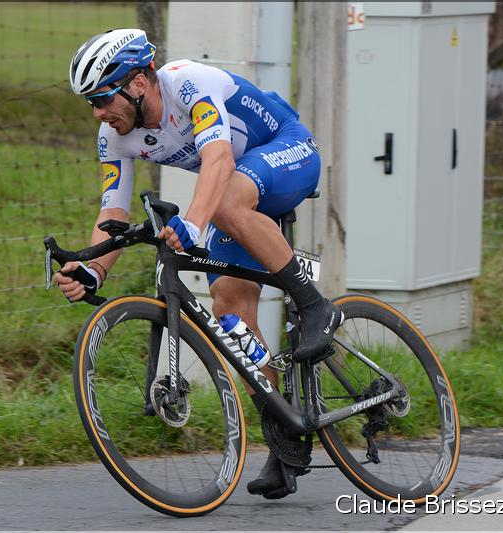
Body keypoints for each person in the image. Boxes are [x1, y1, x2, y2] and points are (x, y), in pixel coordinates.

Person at [54, 28, 344, 499]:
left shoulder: (188, 83)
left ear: (140, 82)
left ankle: (315, 306)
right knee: (232, 317)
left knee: (225, 204)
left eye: (104, 98)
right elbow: (112, 213)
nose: (98, 113)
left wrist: (192, 223)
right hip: (239, 188)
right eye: (90, 103)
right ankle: (285, 438)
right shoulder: (114, 136)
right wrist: (93, 269)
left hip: (287, 152)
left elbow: (219, 158)